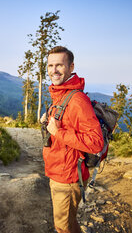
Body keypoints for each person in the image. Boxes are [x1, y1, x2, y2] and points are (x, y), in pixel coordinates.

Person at [41, 46, 104, 233]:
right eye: (51, 65)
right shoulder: (60, 94)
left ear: (71, 67)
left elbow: (95, 142)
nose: (54, 70)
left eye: (59, 65)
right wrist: (48, 120)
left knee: (62, 228)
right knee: (68, 224)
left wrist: (57, 132)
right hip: (59, 173)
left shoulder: (77, 100)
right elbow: (66, 123)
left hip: (68, 177)